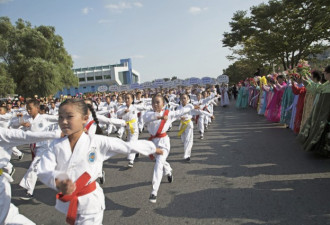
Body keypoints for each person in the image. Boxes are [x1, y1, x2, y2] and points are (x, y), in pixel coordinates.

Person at [37, 99, 163, 225]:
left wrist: (152, 148)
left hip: (91, 203)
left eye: (69, 117)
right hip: (69, 202)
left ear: (84, 118)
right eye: (60, 117)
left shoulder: (96, 141)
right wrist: (59, 180)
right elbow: (44, 169)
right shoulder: (55, 145)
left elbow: (126, 146)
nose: (64, 121)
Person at [0, 128, 61, 225]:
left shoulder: (2, 133)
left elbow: (26, 136)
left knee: (34, 169)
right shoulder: (27, 117)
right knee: (9, 218)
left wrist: (58, 134)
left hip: (46, 147)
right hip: (36, 147)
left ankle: (29, 189)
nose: (29, 111)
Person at [143, 94, 197, 203]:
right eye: (153, 102)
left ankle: (154, 191)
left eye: (158, 102)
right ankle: (168, 171)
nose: (155, 104)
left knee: (158, 164)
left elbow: (180, 112)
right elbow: (147, 118)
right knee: (161, 162)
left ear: (163, 104)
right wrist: (160, 117)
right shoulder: (148, 114)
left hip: (163, 142)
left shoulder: (169, 113)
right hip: (153, 144)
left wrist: (192, 106)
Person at [298, 65, 330, 156]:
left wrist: (306, 82)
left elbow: (317, 88)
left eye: (325, 73)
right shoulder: (327, 84)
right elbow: (317, 88)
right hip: (324, 111)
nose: (324, 74)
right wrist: (306, 81)